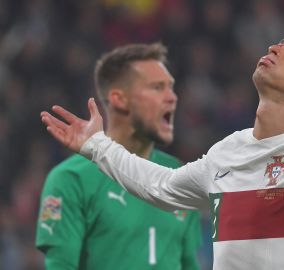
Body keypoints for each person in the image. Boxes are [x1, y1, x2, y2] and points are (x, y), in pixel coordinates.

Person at [40, 26, 284, 269]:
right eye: (281, 43)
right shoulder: (227, 153)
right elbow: (161, 186)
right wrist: (96, 146)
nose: (276, 47)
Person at [35, 43, 202, 270]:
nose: (172, 97)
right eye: (157, 87)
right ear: (119, 99)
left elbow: (189, 263)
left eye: (171, 87)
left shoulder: (179, 175)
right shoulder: (71, 178)